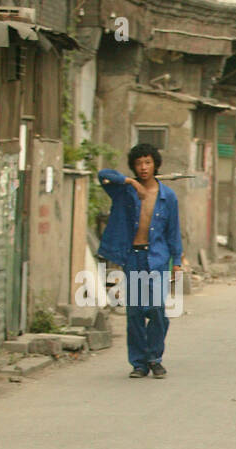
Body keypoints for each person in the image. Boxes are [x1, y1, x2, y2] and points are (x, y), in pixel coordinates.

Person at [98, 143, 182, 379]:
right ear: (133, 167)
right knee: (134, 312)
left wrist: (177, 260)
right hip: (132, 256)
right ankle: (139, 363)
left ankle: (154, 357)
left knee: (156, 308)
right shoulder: (124, 191)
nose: (143, 168)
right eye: (138, 164)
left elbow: (173, 230)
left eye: (147, 162)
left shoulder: (168, 197)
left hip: (157, 258)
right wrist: (131, 182)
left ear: (155, 164)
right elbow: (103, 176)